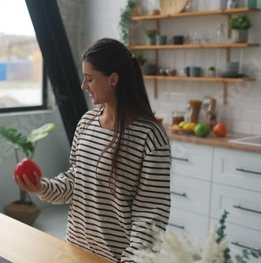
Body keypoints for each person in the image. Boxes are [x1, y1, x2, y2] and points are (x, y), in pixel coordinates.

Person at [15, 38, 171, 263]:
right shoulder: (87, 122)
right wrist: (42, 187)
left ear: (113, 80)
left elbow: (151, 213)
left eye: (89, 79)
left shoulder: (149, 136)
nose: (83, 86)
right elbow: (76, 180)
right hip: (75, 252)